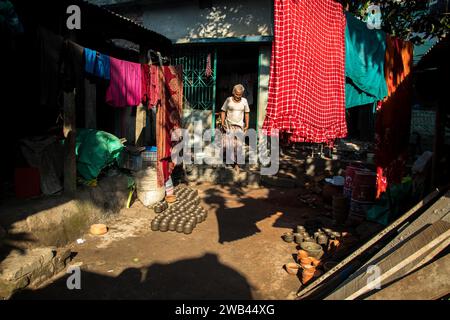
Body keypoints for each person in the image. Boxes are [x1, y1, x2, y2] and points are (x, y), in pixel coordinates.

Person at [221, 84, 250, 173]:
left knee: (239, 146)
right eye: (237, 94)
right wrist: (222, 122)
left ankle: (237, 164)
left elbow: (247, 113)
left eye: (240, 94)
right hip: (229, 125)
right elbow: (223, 111)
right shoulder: (228, 100)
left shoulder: (244, 101)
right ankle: (229, 162)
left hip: (239, 126)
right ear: (233, 92)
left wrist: (247, 125)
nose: (238, 96)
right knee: (229, 145)